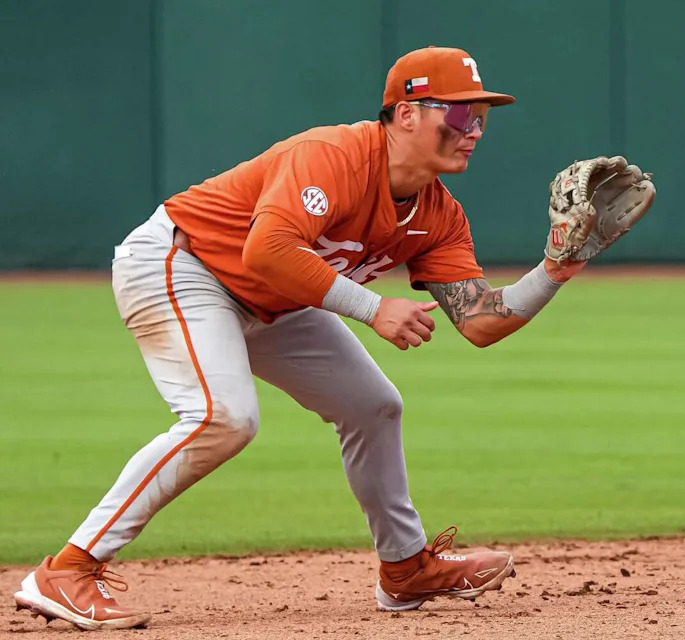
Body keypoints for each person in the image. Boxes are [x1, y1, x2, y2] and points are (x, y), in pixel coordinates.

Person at [12, 46, 589, 630]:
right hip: (182, 264)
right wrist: (372, 308)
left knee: (373, 406)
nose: (474, 131)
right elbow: (266, 250)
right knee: (224, 417)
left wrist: (555, 269)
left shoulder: (438, 214)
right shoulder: (333, 155)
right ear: (409, 113)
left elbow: (481, 321)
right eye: (462, 115)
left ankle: (405, 567)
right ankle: (67, 568)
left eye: (481, 119)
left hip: (274, 298)